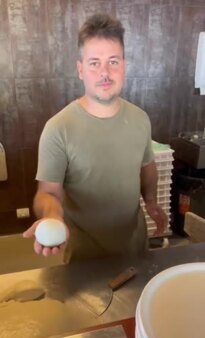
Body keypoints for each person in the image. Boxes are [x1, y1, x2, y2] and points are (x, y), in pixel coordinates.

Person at [23, 13, 167, 262]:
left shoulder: (140, 119)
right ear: (80, 69)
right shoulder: (58, 128)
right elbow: (47, 192)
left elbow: (147, 165)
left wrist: (152, 201)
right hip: (83, 257)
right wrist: (52, 217)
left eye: (113, 61)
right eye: (94, 63)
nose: (105, 73)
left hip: (136, 248)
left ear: (124, 65)